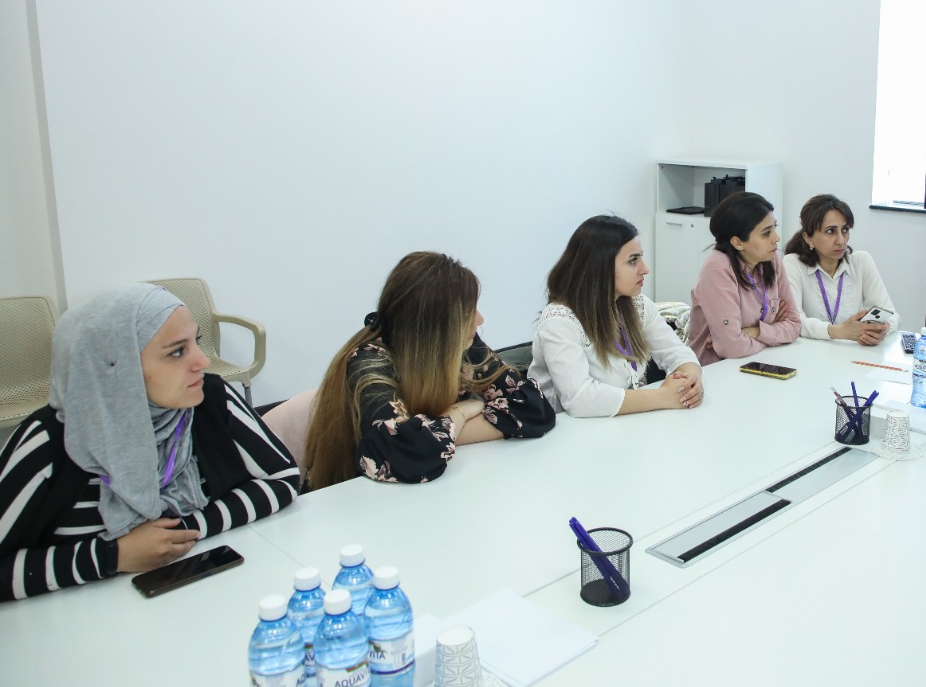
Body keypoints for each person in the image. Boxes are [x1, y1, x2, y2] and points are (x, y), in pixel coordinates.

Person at [0, 284, 300, 602]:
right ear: (115, 369)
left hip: (206, 600)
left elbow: (283, 479)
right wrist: (112, 556)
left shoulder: (209, 398)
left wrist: (181, 532)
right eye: (176, 352)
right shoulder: (51, 441)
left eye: (196, 342)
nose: (202, 361)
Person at [304, 252, 555, 490]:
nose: (480, 320)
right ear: (435, 325)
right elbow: (403, 455)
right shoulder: (369, 360)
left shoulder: (461, 345)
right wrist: (460, 412)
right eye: (468, 312)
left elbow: (535, 410)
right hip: (362, 502)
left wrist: (441, 434)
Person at [529, 215, 704, 417]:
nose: (645, 269)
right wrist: (662, 397)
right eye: (633, 260)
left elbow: (677, 352)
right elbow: (580, 398)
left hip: (620, 424)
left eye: (641, 257)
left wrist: (691, 382)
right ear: (599, 267)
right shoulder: (560, 321)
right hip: (567, 431)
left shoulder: (637, 305)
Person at [688, 191, 801, 365]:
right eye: (766, 233)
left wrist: (755, 332)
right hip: (717, 368)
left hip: (761, 361)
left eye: (774, 228)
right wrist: (773, 334)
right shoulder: (717, 268)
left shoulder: (772, 258)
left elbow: (794, 325)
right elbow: (732, 348)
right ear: (738, 242)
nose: (776, 238)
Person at [782, 193, 899, 344]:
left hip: (852, 353)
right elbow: (794, 320)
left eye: (845, 230)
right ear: (808, 237)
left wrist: (882, 329)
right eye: (830, 231)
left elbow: (892, 314)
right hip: (810, 353)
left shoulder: (861, 261)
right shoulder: (793, 263)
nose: (841, 241)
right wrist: (840, 332)